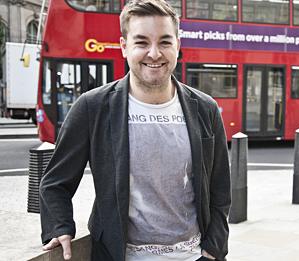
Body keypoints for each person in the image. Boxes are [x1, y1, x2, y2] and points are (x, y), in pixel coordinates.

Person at [39, 1, 231, 261]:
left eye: (164, 42)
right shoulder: (93, 107)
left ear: (177, 45)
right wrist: (59, 226)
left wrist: (213, 249)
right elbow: (55, 182)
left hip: (195, 256)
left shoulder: (205, 108)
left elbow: (220, 189)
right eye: (141, 42)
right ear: (123, 47)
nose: (154, 53)